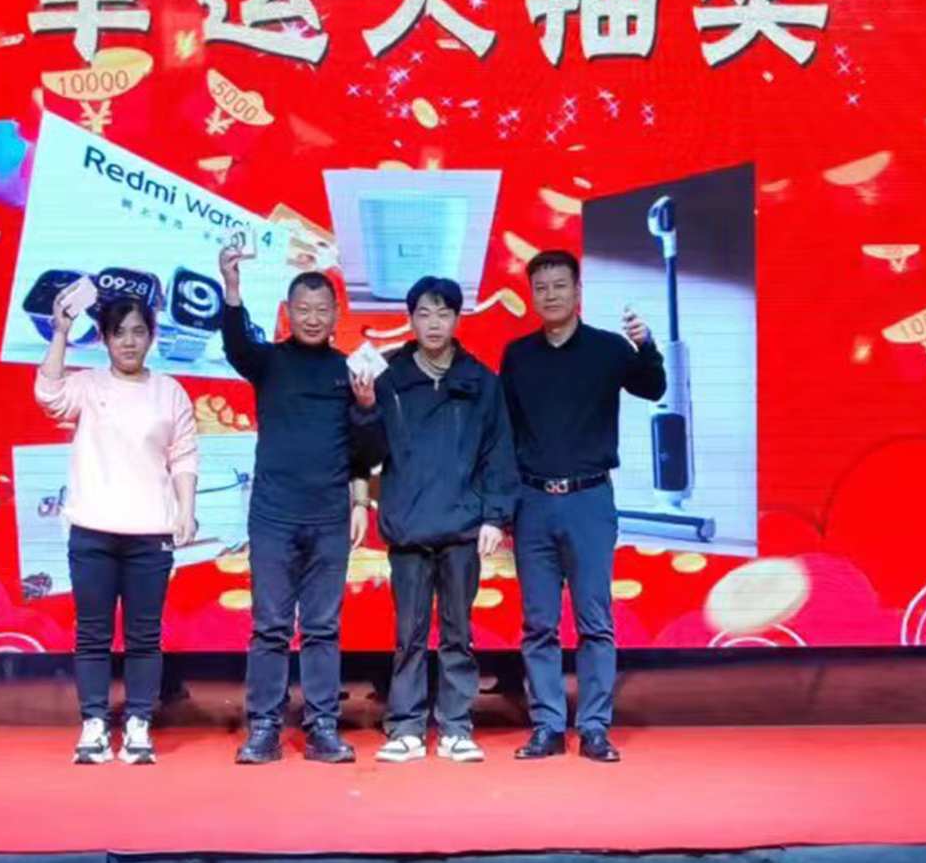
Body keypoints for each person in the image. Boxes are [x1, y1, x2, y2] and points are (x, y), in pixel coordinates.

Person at [500, 249, 665, 763]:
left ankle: (594, 727)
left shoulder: (608, 348)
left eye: (559, 285)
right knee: (539, 624)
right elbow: (505, 432)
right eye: (541, 287)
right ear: (532, 295)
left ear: (577, 291)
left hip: (590, 500)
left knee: (595, 621)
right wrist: (503, 507)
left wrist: (646, 345)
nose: (550, 295)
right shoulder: (517, 355)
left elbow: (653, 387)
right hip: (532, 502)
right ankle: (547, 726)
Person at [218, 241, 378, 764]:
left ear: (336, 315)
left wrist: (366, 407)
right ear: (287, 313)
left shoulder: (349, 371)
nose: (312, 318)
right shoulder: (269, 362)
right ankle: (264, 727)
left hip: (329, 517)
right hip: (273, 516)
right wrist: (232, 287)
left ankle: (322, 727)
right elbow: (236, 346)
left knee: (323, 628)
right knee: (269, 626)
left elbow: (367, 450)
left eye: (321, 309)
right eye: (303, 309)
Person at [358, 276, 519, 764]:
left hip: (463, 528)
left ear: (457, 318)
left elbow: (499, 452)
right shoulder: (386, 377)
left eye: (443, 313)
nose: (433, 323)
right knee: (408, 635)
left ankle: (455, 727)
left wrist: (495, 517)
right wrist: (364, 409)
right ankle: (406, 727)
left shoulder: (480, 380)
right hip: (408, 527)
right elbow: (365, 450)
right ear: (410, 319)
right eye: (424, 314)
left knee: (457, 633)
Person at [35, 293, 199, 765]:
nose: (129, 342)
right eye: (119, 333)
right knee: (93, 633)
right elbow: (48, 396)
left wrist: (186, 510)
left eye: (139, 332)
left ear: (152, 337)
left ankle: (138, 723)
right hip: (93, 531)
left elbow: (184, 455)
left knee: (144, 635)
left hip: (150, 533)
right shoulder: (88, 385)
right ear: (105, 339)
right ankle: (93, 723)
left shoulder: (169, 391)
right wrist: (61, 332)